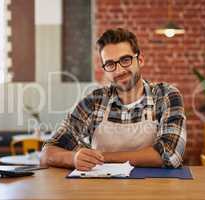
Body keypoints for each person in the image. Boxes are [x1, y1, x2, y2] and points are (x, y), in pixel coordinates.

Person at [40, 28, 186, 171]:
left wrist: (100, 157)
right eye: (110, 64)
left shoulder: (165, 95)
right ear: (104, 69)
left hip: (153, 191)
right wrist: (73, 159)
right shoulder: (95, 101)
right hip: (102, 191)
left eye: (125, 60)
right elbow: (47, 153)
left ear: (140, 60)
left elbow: (170, 154)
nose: (119, 70)